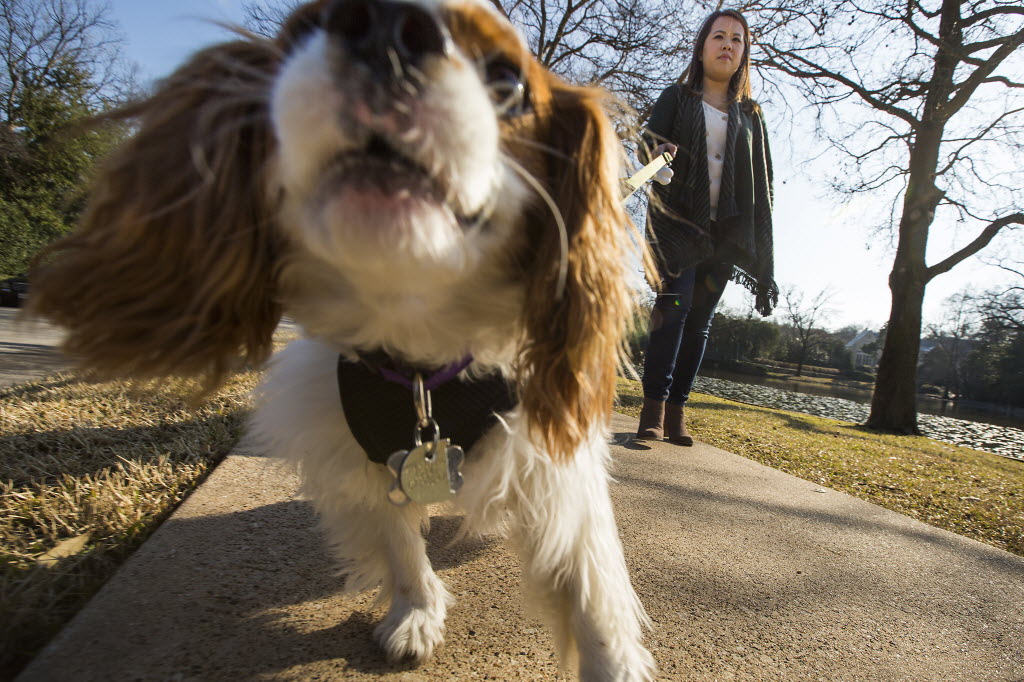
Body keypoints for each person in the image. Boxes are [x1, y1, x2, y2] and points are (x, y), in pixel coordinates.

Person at [636, 9, 778, 445]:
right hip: (680, 226)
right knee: (673, 314)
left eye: (737, 39)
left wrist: (759, 235)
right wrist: (659, 160)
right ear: (702, 48)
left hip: (726, 234)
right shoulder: (677, 98)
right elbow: (646, 144)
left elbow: (763, 179)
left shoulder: (751, 114)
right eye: (719, 36)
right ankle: (652, 413)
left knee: (699, 325)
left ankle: (678, 411)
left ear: (743, 54)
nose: (728, 44)